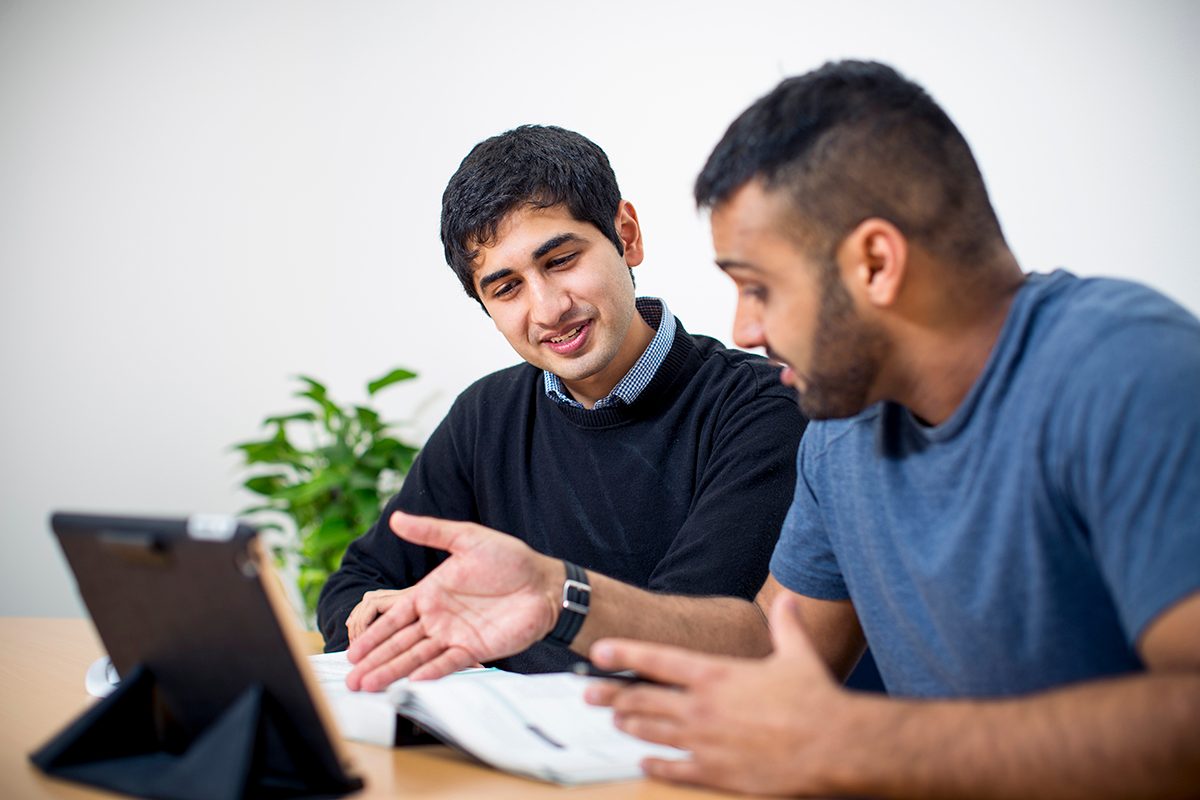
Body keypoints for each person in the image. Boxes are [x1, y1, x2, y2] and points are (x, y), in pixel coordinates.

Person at [343, 62, 1200, 796]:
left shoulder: (1122, 367)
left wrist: (869, 744)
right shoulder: (845, 428)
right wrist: (561, 596)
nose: (745, 327)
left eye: (758, 285)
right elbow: (766, 647)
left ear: (873, 262)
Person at [317, 124, 805, 675]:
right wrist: (400, 624)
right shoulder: (485, 416)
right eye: (506, 289)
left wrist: (505, 624)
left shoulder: (760, 408)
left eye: (561, 260)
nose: (547, 309)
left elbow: (689, 637)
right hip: (494, 751)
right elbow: (355, 587)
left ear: (626, 235)